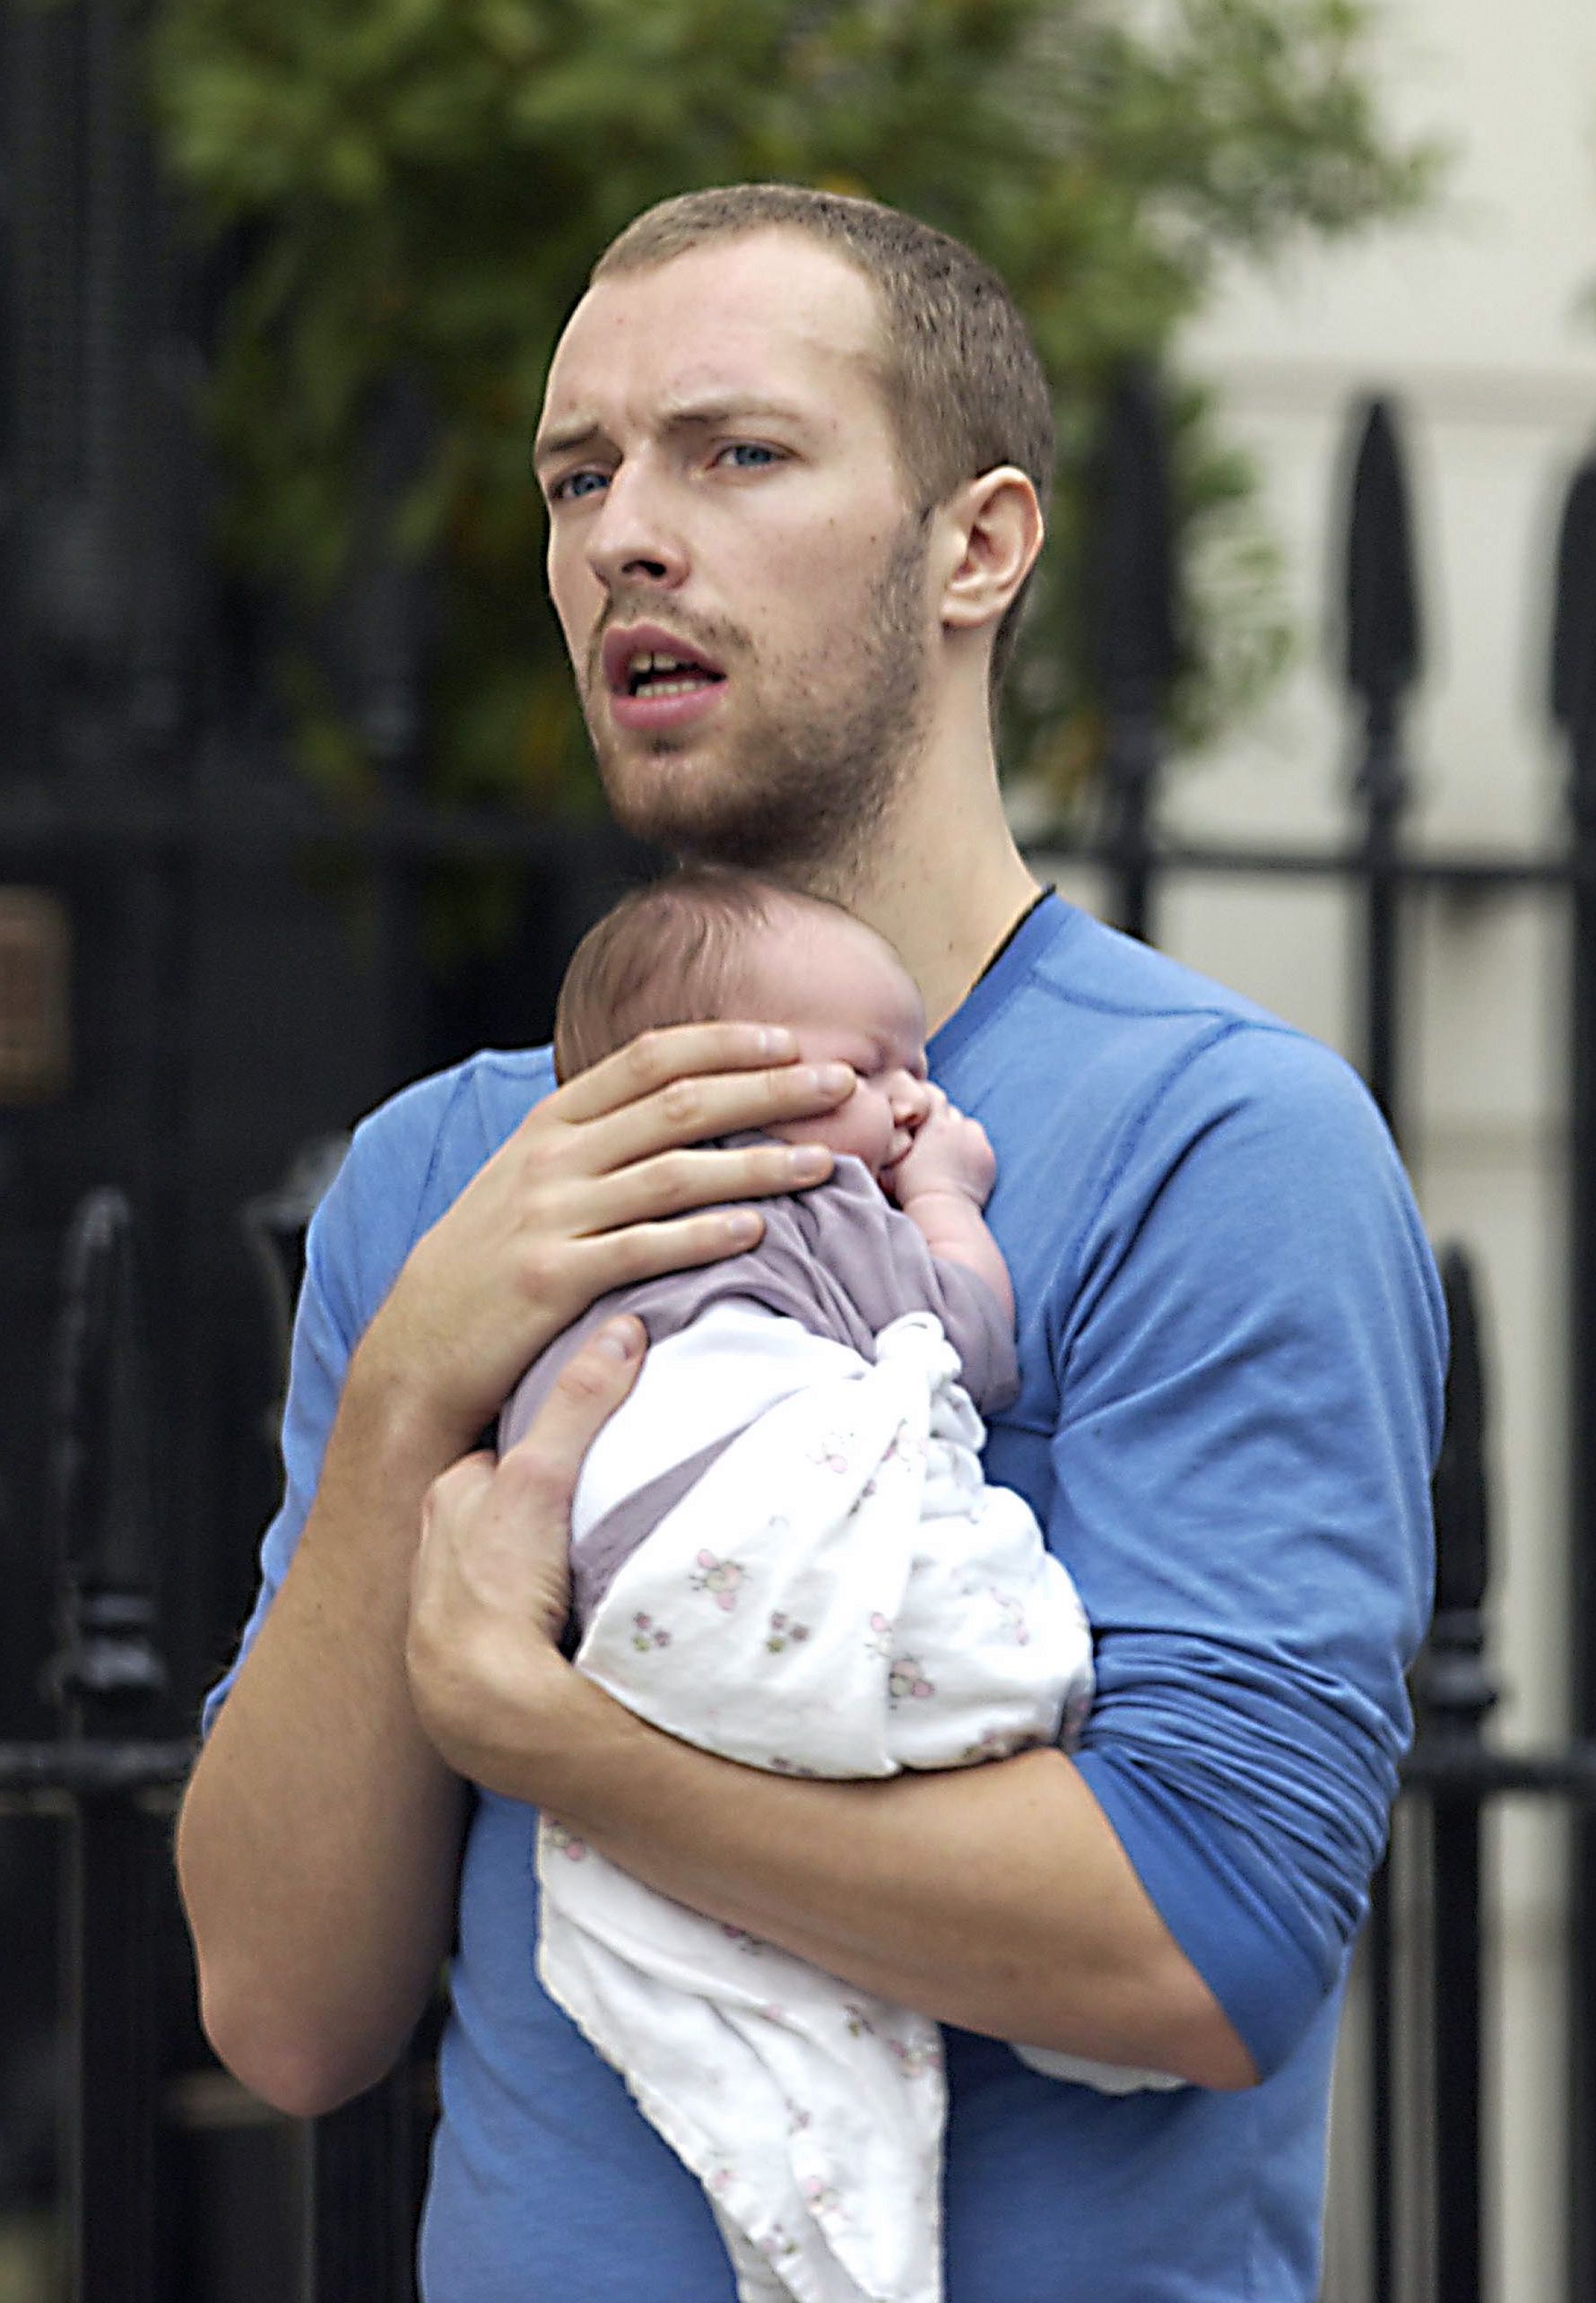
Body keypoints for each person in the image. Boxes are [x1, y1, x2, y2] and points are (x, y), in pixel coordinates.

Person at [176, 183, 1446, 2302]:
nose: (619, 540)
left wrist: (551, 1731)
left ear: (980, 544)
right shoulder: (441, 1176)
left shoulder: (1220, 1138)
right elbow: (286, 2014)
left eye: (731, 452)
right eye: (578, 477)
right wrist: (415, 1380)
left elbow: (1199, 1939)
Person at [518, 865, 1160, 2301]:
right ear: (709, 1101)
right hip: (741, 1539)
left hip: (624, 1600)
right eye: (866, 1072)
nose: (908, 1104)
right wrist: (943, 1198)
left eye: (917, 1071)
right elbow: (970, 1341)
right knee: (1003, 1654)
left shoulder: (559, 1266)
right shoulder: (800, 1204)